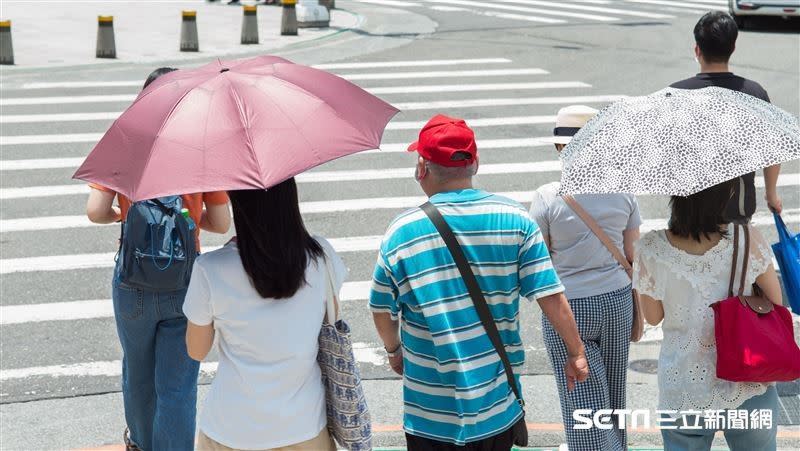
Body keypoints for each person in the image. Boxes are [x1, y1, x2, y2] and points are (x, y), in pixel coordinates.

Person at [369, 114, 589, 451]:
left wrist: (394, 351)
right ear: (475, 163)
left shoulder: (402, 232)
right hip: (496, 405)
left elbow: (382, 310)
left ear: (421, 168)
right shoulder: (514, 219)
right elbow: (551, 298)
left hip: (429, 413)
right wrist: (576, 352)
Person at [85, 67, 232, 451]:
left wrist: (128, 214)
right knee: (177, 385)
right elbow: (220, 222)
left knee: (138, 372)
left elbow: (95, 211)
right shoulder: (200, 147)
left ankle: (140, 444)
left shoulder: (125, 141)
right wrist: (186, 216)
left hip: (132, 280)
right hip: (185, 282)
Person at [183, 181, 341, 451]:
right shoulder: (321, 256)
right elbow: (331, 320)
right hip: (303, 426)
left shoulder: (212, 268)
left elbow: (196, 350)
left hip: (231, 427)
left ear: (238, 205)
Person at [633, 179, 783, 451]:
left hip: (684, 385)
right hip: (746, 380)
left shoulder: (651, 248)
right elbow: (775, 302)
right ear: (725, 194)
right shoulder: (746, 238)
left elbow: (653, 317)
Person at [529, 105, 642, 451]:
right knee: (613, 391)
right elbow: (633, 255)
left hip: (569, 306)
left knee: (580, 396)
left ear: (560, 148)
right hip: (617, 302)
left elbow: (540, 260)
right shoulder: (623, 192)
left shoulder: (548, 197)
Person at [670, 10, 782, 221]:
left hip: (686, 215)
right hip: (734, 214)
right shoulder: (753, 93)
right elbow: (772, 151)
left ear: (697, 49)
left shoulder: (676, 94)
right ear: (732, 48)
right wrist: (771, 194)